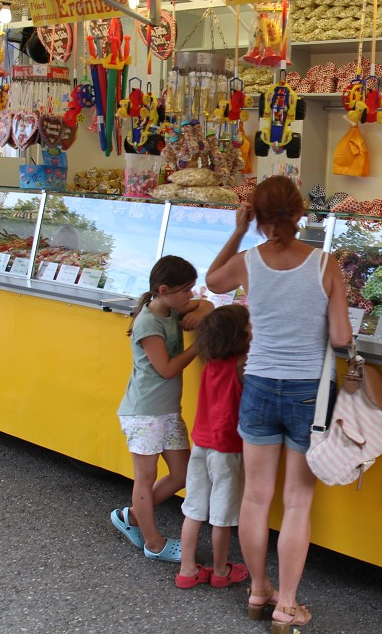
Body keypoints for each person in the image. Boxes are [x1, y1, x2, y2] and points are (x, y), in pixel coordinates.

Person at [206, 176, 352, 633]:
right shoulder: (326, 264)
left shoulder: (247, 262)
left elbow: (212, 280)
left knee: (255, 497)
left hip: (260, 387)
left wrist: (237, 231)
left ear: (259, 217)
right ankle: (287, 605)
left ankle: (257, 590)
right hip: (309, 391)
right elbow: (342, 338)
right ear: (301, 212)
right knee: (296, 503)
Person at [110, 255, 213, 562]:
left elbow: (203, 305)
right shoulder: (148, 323)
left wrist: (205, 307)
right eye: (186, 290)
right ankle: (153, 542)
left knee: (182, 474)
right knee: (145, 476)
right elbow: (166, 369)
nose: (191, 296)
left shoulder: (170, 307)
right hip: (144, 412)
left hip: (167, 411)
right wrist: (199, 345)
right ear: (164, 289)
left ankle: (131, 515)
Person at [174, 304, 252, 590]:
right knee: (222, 515)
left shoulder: (208, 363)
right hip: (228, 448)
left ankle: (187, 569)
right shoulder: (242, 364)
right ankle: (220, 571)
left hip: (201, 444)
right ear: (239, 336)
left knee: (193, 508)